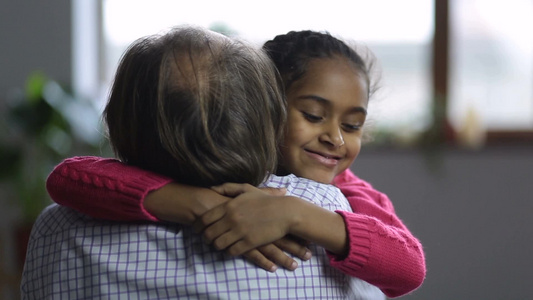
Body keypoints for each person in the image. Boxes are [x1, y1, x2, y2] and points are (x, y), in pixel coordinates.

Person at [42, 30, 426, 298]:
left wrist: (296, 215)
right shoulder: (205, 166)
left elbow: (409, 267)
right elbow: (68, 178)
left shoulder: (351, 193)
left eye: (352, 125)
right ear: (264, 108)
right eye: (312, 115)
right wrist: (196, 203)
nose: (336, 138)